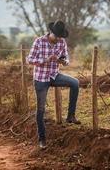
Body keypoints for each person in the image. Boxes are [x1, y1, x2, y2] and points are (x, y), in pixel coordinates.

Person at [27, 20, 80, 149]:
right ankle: (42, 139)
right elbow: (29, 60)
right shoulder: (39, 41)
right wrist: (45, 60)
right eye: (57, 36)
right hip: (40, 78)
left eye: (60, 37)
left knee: (75, 83)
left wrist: (62, 61)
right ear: (51, 33)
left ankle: (70, 116)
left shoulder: (62, 42)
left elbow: (66, 59)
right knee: (40, 110)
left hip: (54, 76)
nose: (58, 39)